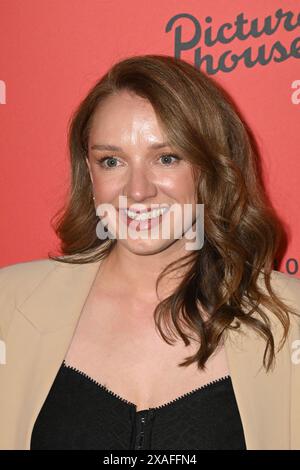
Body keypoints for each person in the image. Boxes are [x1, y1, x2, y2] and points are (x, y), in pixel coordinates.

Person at [0, 54, 299, 451]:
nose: (137, 190)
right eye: (111, 161)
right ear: (89, 175)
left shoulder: (290, 317)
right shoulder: (9, 305)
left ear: (210, 168)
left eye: (166, 158)